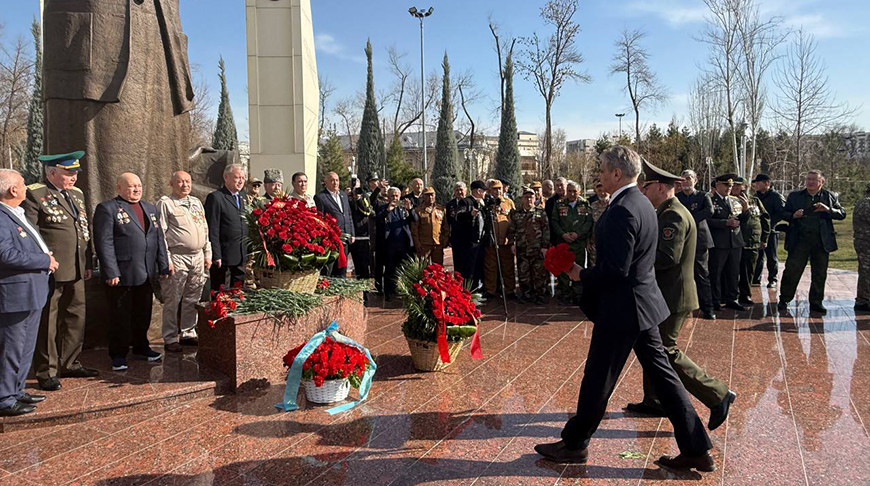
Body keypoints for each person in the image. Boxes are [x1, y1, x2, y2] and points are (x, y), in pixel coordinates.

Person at [535, 146, 713, 472]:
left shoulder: (623, 210)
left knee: (597, 378)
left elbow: (616, 270)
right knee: (666, 380)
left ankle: (575, 445)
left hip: (623, 310)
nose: (599, 174)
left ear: (617, 173)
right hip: (642, 306)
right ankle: (696, 448)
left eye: (603, 169)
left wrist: (578, 273)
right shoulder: (640, 203)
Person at [628, 160, 736, 431]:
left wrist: (634, 257)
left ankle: (718, 394)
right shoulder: (668, 210)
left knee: (665, 350)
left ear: (662, 187)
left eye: (647, 186)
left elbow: (667, 257)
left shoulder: (672, 214)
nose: (643, 190)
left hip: (673, 296)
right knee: (652, 346)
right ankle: (654, 400)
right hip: (666, 294)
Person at [22, 152, 98, 392]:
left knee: (76, 315)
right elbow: (32, 232)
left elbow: (83, 229)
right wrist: (44, 260)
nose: (74, 177)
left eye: (75, 172)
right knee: (49, 321)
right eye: (69, 172)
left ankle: (70, 362)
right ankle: (46, 370)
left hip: (76, 265)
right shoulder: (35, 194)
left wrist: (87, 262)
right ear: (51, 172)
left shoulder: (76, 194)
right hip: (52, 267)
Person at [93, 173, 170, 371]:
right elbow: (104, 242)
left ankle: (141, 347)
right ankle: (118, 354)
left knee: (143, 313)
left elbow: (158, 238)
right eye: (131, 186)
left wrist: (162, 264)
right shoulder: (107, 209)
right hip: (122, 273)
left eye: (138, 186)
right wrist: (111, 271)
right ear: (119, 188)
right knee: (120, 316)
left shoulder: (150, 208)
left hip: (146, 272)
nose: (136, 190)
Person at [0, 169, 58, 416]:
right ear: (13, 190)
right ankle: (4, 397)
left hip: (32, 291)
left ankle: (17, 390)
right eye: (23, 184)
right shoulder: (2, 217)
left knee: (25, 348)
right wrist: (44, 261)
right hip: (15, 294)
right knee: (11, 349)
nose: (26, 188)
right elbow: (6, 254)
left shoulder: (17, 213)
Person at [777, 170, 846, 315]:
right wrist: (792, 215)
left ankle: (816, 302)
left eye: (814, 180)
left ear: (822, 182)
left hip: (821, 242)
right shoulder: (795, 196)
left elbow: (842, 214)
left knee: (819, 273)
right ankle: (784, 299)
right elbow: (783, 213)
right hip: (799, 241)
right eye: (808, 179)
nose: (810, 182)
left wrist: (828, 209)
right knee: (791, 271)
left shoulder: (829, 196)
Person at [157, 171, 211, 353]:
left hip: (197, 256)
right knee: (173, 298)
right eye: (180, 182)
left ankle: (188, 332)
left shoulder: (196, 203)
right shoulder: (166, 203)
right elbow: (161, 234)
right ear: (171, 184)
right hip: (177, 256)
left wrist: (207, 253)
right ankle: (171, 337)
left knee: (192, 297)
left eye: (187, 181)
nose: (185, 185)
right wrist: (166, 259)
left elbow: (205, 229)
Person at [676, 170, 716, 320]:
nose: (686, 182)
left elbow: (709, 211)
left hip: (700, 240)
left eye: (688, 178)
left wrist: (689, 218)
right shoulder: (677, 197)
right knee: (682, 275)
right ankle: (684, 307)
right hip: (682, 241)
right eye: (683, 179)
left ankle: (708, 308)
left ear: (695, 180)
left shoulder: (702, 196)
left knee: (702, 274)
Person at [708, 174, 750, 312]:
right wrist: (724, 223)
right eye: (726, 185)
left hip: (735, 242)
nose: (728, 188)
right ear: (717, 185)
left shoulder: (734, 200)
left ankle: (732, 298)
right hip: (719, 243)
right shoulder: (710, 200)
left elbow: (742, 220)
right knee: (716, 272)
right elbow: (706, 220)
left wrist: (746, 209)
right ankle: (715, 300)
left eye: (730, 186)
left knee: (733, 272)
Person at [205, 164, 248, 292]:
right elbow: (213, 227)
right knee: (220, 293)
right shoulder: (216, 197)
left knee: (237, 292)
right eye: (237, 177)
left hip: (240, 254)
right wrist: (216, 254)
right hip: (223, 255)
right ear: (226, 177)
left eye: (243, 178)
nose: (240, 181)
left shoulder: (243, 197)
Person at [551, 180, 594, 303]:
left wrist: (578, 233)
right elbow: (554, 221)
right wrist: (562, 234)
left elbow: (588, 222)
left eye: (574, 191)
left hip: (578, 243)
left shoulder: (585, 204)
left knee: (578, 267)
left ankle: (577, 293)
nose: (571, 193)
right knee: (563, 268)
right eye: (569, 191)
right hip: (563, 242)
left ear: (579, 192)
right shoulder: (559, 204)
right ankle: (565, 293)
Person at [731, 177, 770, 306]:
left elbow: (765, 219)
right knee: (732, 270)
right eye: (734, 185)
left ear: (745, 187)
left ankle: (745, 295)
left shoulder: (755, 200)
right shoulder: (728, 200)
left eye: (739, 185)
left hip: (752, 242)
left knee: (749, 270)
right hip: (734, 242)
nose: (736, 188)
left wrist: (764, 239)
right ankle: (731, 295)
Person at [508, 186, 550, 304]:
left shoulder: (540, 212)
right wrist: (512, 244)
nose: (529, 200)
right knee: (523, 273)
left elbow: (546, 230)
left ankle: (540, 295)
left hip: (537, 249)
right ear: (522, 199)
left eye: (531, 197)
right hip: (522, 249)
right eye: (526, 197)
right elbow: (511, 230)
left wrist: (545, 246)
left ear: (535, 198)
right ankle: (526, 295)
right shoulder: (516, 214)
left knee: (539, 274)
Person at [375, 187, 415, 300]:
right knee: (389, 270)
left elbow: (415, 219)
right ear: (388, 197)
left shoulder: (403, 208)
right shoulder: (383, 208)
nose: (395, 198)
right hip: (389, 245)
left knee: (404, 269)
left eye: (397, 196)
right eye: (392, 196)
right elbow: (378, 219)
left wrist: (410, 209)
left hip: (404, 244)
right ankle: (389, 292)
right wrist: (388, 209)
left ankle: (403, 291)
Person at [315, 172, 355, 277]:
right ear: (326, 182)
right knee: (330, 268)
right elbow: (320, 218)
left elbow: (348, 215)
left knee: (342, 268)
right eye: (332, 180)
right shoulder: (321, 197)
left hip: (345, 237)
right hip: (331, 239)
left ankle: (340, 289)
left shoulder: (343, 195)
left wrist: (352, 233)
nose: (335, 183)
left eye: (337, 180)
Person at [752, 174, 786, 289]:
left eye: (758, 182)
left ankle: (773, 279)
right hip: (757, 231)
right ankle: (755, 279)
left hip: (771, 230)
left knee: (771, 257)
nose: (756, 185)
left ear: (767, 183)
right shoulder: (755, 197)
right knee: (758, 256)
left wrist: (769, 224)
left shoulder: (776, 196)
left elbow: (781, 212)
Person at [483, 179, 516, 299]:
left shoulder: (508, 202)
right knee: (490, 268)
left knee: (508, 267)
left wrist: (512, 238)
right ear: (490, 190)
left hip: (505, 241)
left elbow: (513, 220)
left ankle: (509, 290)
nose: (497, 191)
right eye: (494, 189)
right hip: (492, 241)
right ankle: (490, 290)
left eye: (499, 189)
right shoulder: (486, 203)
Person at [454, 181, 488, 292]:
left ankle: (477, 292)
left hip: (480, 242)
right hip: (469, 243)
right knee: (468, 270)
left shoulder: (482, 203)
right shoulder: (466, 202)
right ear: (478, 191)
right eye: (483, 191)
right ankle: (468, 293)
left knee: (479, 268)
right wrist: (470, 214)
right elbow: (458, 216)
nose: (485, 194)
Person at [411, 187, 448, 265]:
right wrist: (417, 243)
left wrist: (445, 240)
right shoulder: (418, 211)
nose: (430, 197)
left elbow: (445, 227)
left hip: (437, 244)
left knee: (438, 269)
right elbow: (414, 230)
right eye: (427, 195)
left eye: (432, 195)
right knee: (423, 270)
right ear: (423, 197)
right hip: (424, 245)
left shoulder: (441, 210)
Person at [349, 187, 373, 280]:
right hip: (348, 235)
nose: (356, 190)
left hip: (361, 236)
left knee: (362, 268)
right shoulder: (344, 197)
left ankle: (365, 292)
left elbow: (367, 212)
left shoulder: (364, 197)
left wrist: (358, 199)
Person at [854, 184, 870, 313]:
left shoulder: (863, 201)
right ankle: (864, 301)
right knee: (866, 272)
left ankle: (862, 300)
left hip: (863, 241)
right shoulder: (867, 203)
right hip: (866, 243)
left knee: (864, 271)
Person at [445, 182, 467, 253]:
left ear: (465, 191)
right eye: (457, 190)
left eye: (461, 190)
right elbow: (448, 221)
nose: (459, 192)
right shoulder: (450, 204)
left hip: (467, 237)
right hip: (455, 236)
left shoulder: (470, 202)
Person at [546, 177, 567, 245]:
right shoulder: (550, 202)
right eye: (557, 186)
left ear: (566, 185)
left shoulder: (572, 199)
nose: (559, 187)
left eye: (561, 185)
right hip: (556, 238)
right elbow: (549, 220)